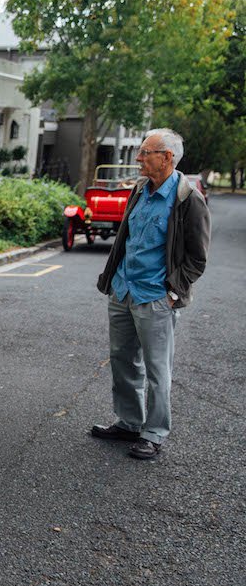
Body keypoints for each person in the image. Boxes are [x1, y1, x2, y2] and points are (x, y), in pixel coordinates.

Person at [91, 128, 210, 460]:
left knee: (158, 369)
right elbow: (125, 239)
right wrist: (113, 279)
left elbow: (197, 258)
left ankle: (154, 432)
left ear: (167, 157)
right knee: (122, 360)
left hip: (156, 296)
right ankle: (129, 422)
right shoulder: (141, 189)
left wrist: (173, 293)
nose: (139, 158)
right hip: (124, 289)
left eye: (145, 152)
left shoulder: (188, 199)